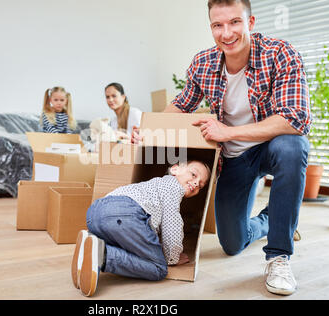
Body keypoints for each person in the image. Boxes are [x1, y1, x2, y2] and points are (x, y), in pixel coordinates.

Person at [132, 0, 311, 296]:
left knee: (293, 147)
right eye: (218, 25)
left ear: (250, 23)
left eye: (235, 22)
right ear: (211, 27)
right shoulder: (203, 63)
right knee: (232, 243)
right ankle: (274, 220)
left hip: (271, 147)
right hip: (234, 160)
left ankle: (279, 256)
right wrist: (150, 131)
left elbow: (296, 119)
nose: (226, 33)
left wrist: (228, 131)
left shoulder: (280, 53)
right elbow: (182, 102)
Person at [71, 160, 211, 297]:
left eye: (201, 185)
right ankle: (103, 255)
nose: (196, 183)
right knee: (159, 267)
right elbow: (172, 224)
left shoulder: (154, 185)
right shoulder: (172, 186)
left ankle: (91, 245)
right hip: (126, 215)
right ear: (175, 169)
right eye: (194, 175)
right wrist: (173, 257)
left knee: (130, 246)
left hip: (95, 213)